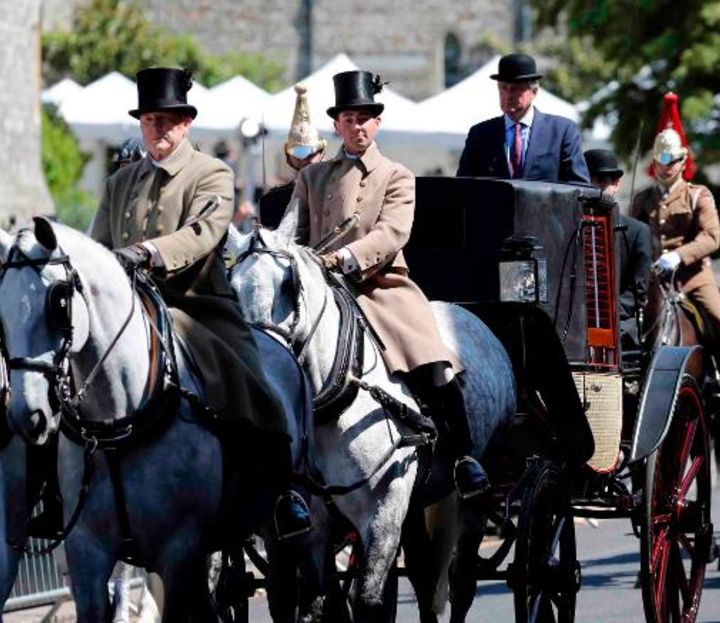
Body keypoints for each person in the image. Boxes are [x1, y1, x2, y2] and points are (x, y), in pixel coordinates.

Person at [88, 67, 310, 539]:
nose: (158, 129)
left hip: (196, 307)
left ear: (186, 123)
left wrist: (148, 252)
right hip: (126, 312)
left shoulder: (212, 173)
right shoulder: (119, 184)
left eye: (167, 120)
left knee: (255, 385)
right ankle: (61, 488)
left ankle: (280, 490)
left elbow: (202, 234)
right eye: (149, 120)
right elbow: (98, 247)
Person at [291, 69, 489, 498]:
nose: (356, 125)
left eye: (364, 117)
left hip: (379, 286)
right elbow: (296, 231)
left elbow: (392, 233)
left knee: (431, 361)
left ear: (376, 122)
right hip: (318, 286)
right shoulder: (312, 176)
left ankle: (461, 456)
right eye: (348, 118)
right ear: (337, 124)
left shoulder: (397, 175)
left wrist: (347, 257)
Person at [629, 127, 720, 391]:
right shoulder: (643, 198)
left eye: (671, 161)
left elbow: (711, 236)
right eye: (660, 161)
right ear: (653, 163)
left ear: (683, 162)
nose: (666, 167)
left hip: (692, 276)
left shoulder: (698, 194)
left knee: (716, 316)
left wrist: (678, 256)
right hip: (653, 277)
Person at [456, 53, 589, 184]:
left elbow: (578, 187)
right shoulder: (480, 134)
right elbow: (462, 188)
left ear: (534, 92)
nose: (508, 95)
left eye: (515, 89)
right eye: (503, 88)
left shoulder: (561, 132)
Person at [583, 148, 652, 354]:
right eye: (593, 179)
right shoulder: (567, 229)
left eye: (606, 179)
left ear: (617, 183)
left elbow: (637, 291)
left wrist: (605, 314)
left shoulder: (637, 231)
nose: (599, 186)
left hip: (618, 321)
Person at [259, 83, 327, 229]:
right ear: (288, 157)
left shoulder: (334, 193)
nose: (303, 161)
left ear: (322, 153)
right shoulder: (273, 199)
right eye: (297, 155)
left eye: (309, 155)